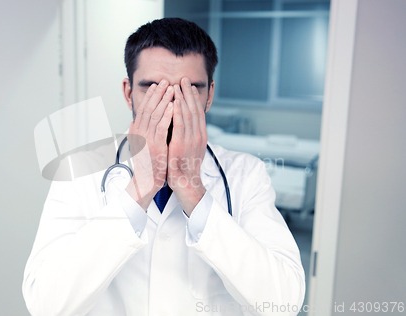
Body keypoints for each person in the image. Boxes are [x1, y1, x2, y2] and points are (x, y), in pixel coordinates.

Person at [22, 18, 305, 316]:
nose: (171, 105)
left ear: (209, 95)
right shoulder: (79, 171)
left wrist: (193, 191)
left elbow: (284, 303)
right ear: (129, 92)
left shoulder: (247, 174)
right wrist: (139, 189)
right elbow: (45, 304)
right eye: (153, 89)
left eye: (189, 90)